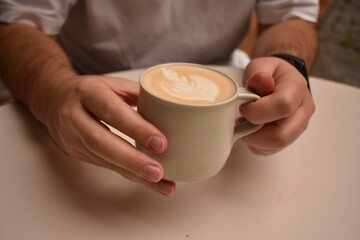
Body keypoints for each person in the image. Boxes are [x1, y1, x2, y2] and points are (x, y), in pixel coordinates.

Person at [0, 0, 318, 196]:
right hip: (86, 95)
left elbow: (290, 15)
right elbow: (19, 22)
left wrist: (288, 64)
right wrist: (52, 90)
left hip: (226, 82)